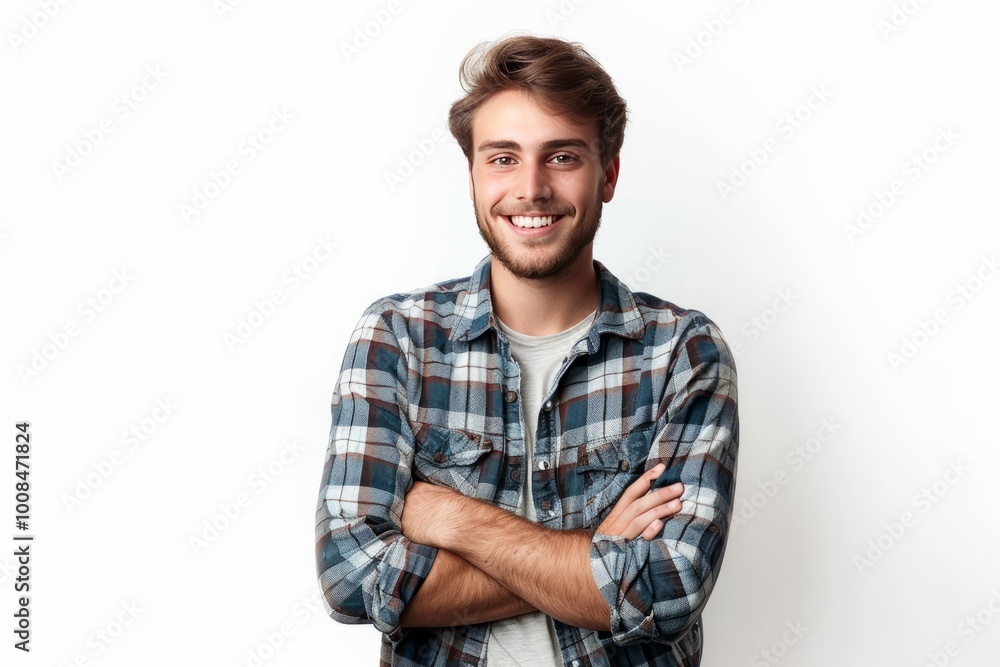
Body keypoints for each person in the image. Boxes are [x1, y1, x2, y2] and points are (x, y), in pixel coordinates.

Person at [315, 34, 739, 667]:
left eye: (562, 156)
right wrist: (595, 552)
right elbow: (351, 579)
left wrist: (452, 519)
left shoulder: (683, 351)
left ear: (608, 175)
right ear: (472, 176)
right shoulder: (398, 337)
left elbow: (669, 588)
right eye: (503, 158)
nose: (532, 187)